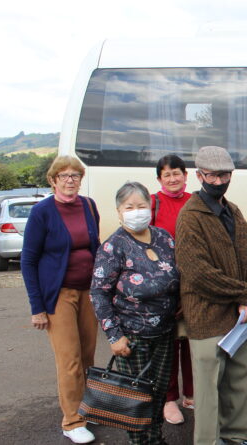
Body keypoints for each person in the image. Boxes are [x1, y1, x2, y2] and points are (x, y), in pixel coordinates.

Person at [175, 146, 247, 445]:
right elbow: (197, 273)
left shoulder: (234, 211)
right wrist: (244, 293)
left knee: (241, 381)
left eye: (224, 175)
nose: (218, 181)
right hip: (206, 316)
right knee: (209, 391)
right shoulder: (190, 216)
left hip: (239, 316)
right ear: (198, 175)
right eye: (211, 175)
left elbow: (246, 260)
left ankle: (235, 438)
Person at [90, 182, 180, 445]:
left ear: (150, 207)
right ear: (119, 211)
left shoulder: (164, 238)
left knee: (159, 393)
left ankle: (156, 438)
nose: (136, 211)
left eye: (141, 206)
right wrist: (113, 335)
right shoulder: (113, 246)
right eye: (129, 207)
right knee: (136, 398)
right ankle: (141, 442)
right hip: (131, 336)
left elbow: (177, 276)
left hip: (164, 332)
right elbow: (98, 293)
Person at [21, 156, 100, 444]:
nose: (70, 180)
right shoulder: (43, 212)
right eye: (64, 175)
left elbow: (95, 247)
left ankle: (86, 408)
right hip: (59, 295)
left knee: (89, 356)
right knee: (70, 359)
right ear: (53, 180)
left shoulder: (89, 206)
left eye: (75, 175)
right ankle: (72, 421)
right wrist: (37, 308)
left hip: (88, 292)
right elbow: (28, 261)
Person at [149, 155, 195, 425]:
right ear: (159, 179)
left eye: (176, 173)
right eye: (166, 175)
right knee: (168, 344)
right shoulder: (153, 203)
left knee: (191, 340)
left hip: (191, 283)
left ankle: (191, 394)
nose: (173, 178)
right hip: (163, 285)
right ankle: (169, 399)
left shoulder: (195, 201)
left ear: (185, 175)